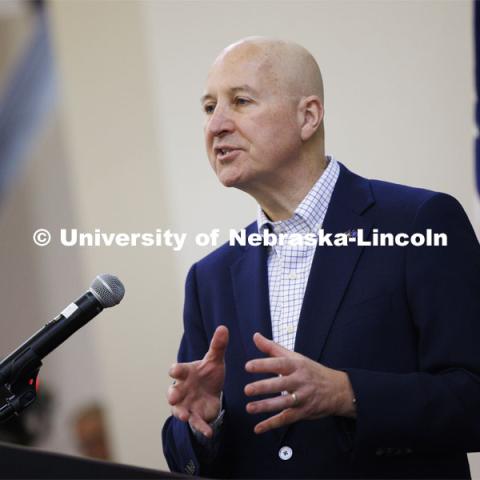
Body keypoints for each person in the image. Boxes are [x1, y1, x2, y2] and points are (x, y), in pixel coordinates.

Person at [162, 37, 480, 479]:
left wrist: (347, 393)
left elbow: (473, 397)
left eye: (240, 101)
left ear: (307, 116)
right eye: (208, 107)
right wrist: (206, 419)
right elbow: (188, 456)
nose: (216, 125)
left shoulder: (419, 222)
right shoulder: (209, 278)